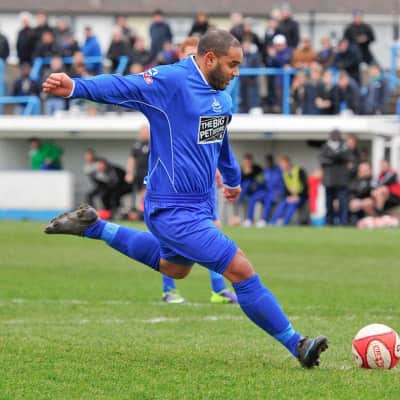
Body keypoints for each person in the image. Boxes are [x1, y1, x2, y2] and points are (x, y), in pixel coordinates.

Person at [42, 29, 328, 368]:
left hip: (200, 205)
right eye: (232, 65)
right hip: (172, 207)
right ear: (210, 59)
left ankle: (95, 227)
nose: (237, 73)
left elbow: (219, 140)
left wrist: (232, 178)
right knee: (240, 269)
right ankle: (298, 344)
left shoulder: (223, 97)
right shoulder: (172, 81)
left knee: (174, 269)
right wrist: (75, 87)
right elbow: (123, 85)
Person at [319, 129, 352, 225]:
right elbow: (322, 160)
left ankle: (344, 222)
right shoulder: (325, 147)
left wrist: (333, 158)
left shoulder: (344, 146)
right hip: (329, 181)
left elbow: (348, 158)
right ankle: (329, 222)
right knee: (328, 203)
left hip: (341, 181)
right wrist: (336, 158)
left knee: (343, 203)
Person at [243, 154, 285, 227]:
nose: (268, 163)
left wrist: (279, 193)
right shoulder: (265, 171)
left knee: (268, 199)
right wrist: (255, 185)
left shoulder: (278, 171)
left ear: (272, 161)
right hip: (265, 192)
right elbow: (260, 181)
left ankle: (264, 220)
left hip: (274, 193)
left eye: (270, 161)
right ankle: (249, 219)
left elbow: (282, 185)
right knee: (253, 198)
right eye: (267, 161)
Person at [269, 155, 308, 225]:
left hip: (302, 197)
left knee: (292, 204)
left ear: (288, 163)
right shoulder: (284, 174)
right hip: (292, 197)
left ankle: (284, 223)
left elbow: (305, 186)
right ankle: (273, 222)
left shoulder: (299, 171)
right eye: (281, 165)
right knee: (283, 203)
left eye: (283, 164)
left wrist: (298, 196)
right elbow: (286, 189)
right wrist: (288, 197)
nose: (281, 167)